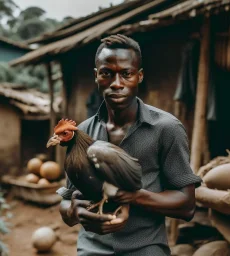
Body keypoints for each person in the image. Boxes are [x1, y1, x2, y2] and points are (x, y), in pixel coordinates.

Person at [57, 34, 202, 256]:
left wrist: (134, 196)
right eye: (107, 73)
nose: (117, 84)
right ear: (96, 76)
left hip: (145, 248)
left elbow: (187, 205)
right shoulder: (81, 133)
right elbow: (66, 200)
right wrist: (74, 212)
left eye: (126, 74)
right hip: (91, 248)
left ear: (139, 76)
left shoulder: (166, 128)